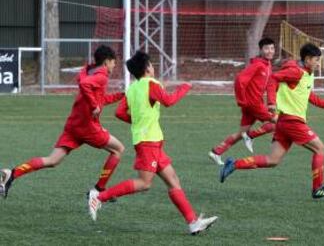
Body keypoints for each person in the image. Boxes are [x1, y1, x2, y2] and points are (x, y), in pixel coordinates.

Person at [88, 51, 218, 235]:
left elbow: (119, 112)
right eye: (151, 64)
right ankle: (99, 197)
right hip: (148, 142)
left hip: (151, 141)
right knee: (144, 183)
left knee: (173, 181)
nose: (153, 67)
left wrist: (139, 121)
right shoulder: (152, 84)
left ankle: (193, 223)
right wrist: (185, 87)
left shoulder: (132, 88)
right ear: (147, 68)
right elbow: (169, 101)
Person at [0, 45, 125, 199]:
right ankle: (99, 189)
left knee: (53, 160)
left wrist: (121, 96)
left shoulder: (89, 71)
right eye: (113, 62)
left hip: (74, 125)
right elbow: (85, 86)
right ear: (106, 62)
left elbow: (99, 98)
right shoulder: (102, 76)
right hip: (87, 127)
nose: (114, 65)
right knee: (118, 149)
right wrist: (94, 106)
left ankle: (12, 173)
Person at [220, 43, 324, 199]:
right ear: (308, 59)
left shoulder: (306, 73)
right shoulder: (296, 72)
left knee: (272, 160)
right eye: (316, 60)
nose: (318, 63)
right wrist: (271, 102)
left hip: (283, 122)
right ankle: (318, 188)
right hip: (291, 121)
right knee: (320, 149)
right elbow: (273, 80)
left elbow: (307, 94)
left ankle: (234, 164)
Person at [208, 37, 278, 165]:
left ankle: (216, 152)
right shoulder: (257, 65)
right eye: (267, 48)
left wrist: (271, 102)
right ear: (261, 50)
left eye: (272, 48)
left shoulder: (267, 65)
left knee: (241, 133)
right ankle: (251, 136)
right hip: (253, 104)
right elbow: (240, 80)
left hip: (252, 105)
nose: (270, 51)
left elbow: (270, 85)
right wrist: (241, 100)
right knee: (278, 122)